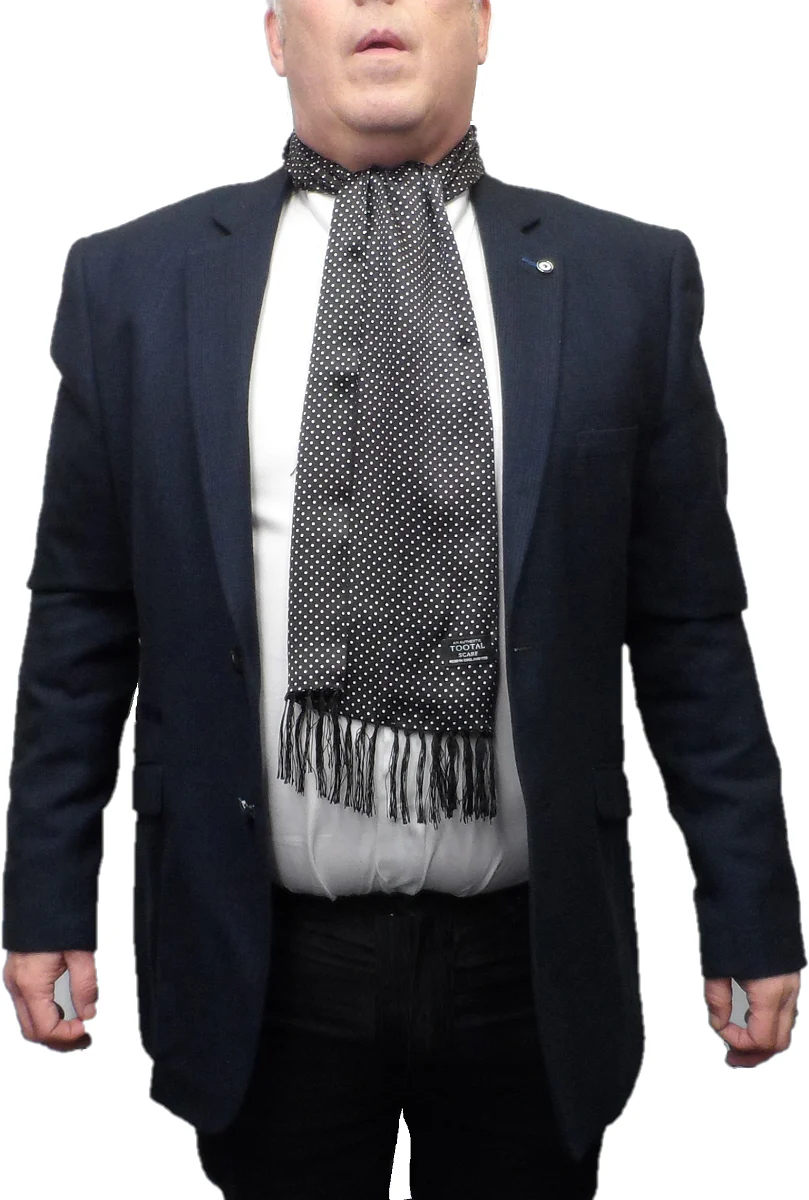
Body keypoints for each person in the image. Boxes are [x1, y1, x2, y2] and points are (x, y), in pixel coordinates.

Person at [2, 1, 804, 1197]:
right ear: (276, 37)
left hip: (532, 958)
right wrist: (43, 896)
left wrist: (747, 909)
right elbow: (82, 615)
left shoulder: (627, 279)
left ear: (480, 26)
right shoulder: (135, 282)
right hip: (258, 957)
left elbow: (688, 629)